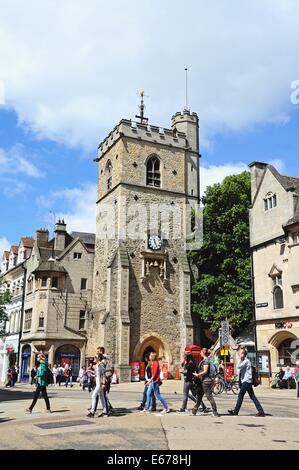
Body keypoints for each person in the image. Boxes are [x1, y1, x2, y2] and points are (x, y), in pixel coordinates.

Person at [228, 348, 265, 417]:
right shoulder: (244, 361)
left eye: (240, 353)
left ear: (243, 354)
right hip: (246, 382)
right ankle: (261, 411)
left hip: (246, 382)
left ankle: (236, 411)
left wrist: (239, 358)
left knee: (240, 396)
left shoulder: (246, 361)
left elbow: (238, 366)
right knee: (253, 397)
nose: (239, 354)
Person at [192, 348, 220, 417]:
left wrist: (198, 375)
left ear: (203, 353)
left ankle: (215, 412)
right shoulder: (205, 360)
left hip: (206, 381)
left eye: (201, 352)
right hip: (202, 381)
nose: (200, 353)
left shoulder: (206, 361)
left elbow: (205, 371)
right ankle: (194, 410)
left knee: (209, 397)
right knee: (199, 396)